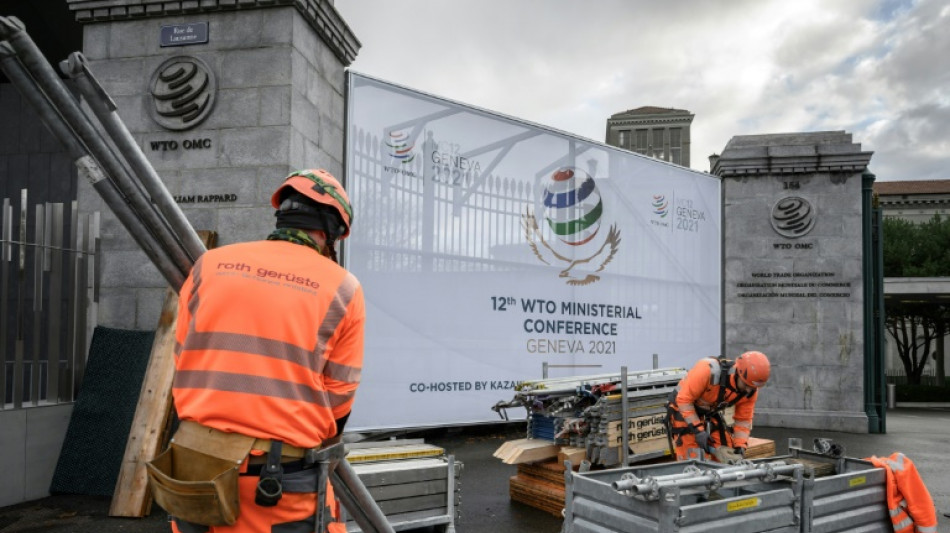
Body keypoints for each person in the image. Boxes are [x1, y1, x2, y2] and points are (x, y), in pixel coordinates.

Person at [161, 169, 365, 533]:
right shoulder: (343, 287)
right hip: (278, 479)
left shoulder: (209, 265)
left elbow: (183, 356)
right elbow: (340, 395)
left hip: (194, 462)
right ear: (330, 231)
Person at [665, 351, 770, 464]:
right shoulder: (707, 371)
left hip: (708, 412)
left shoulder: (750, 390)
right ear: (737, 373)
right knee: (693, 457)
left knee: (728, 452)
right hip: (681, 409)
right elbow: (684, 400)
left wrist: (740, 445)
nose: (748, 390)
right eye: (746, 385)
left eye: (752, 388)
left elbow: (743, 420)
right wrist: (698, 431)